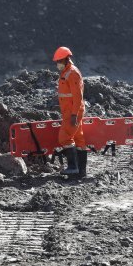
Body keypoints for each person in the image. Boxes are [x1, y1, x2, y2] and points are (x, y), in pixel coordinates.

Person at [53, 46, 87, 177]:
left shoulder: (72, 73)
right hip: (71, 111)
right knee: (79, 140)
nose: (58, 64)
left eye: (60, 61)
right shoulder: (67, 72)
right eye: (57, 61)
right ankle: (81, 171)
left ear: (67, 59)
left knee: (65, 137)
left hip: (72, 112)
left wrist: (74, 115)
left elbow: (78, 96)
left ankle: (73, 167)